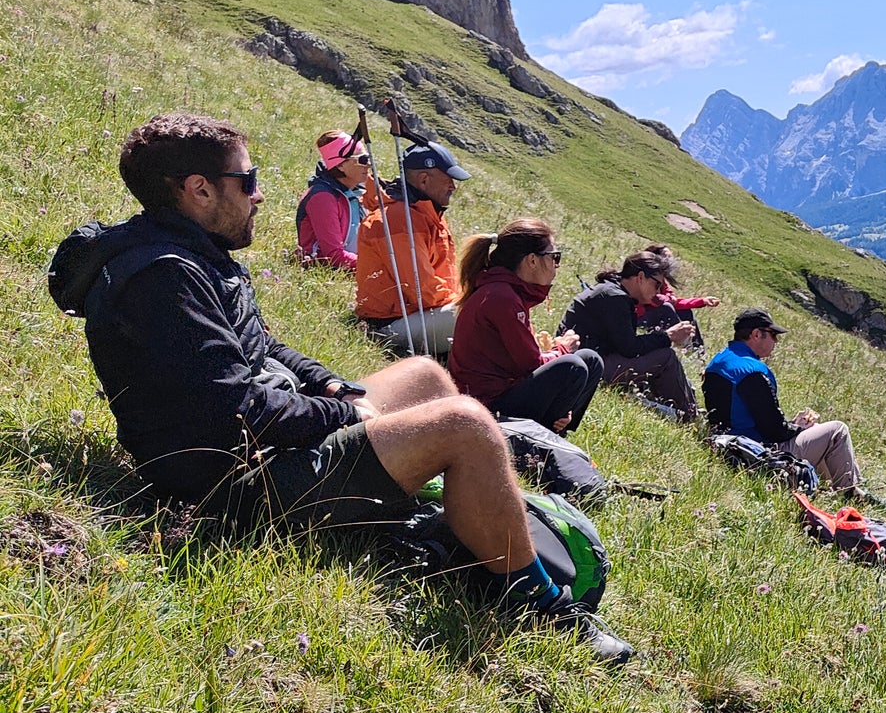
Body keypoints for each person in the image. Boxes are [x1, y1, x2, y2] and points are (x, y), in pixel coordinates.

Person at [50, 114, 629, 661]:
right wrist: (348, 419)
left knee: (427, 375)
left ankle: (437, 502)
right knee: (467, 425)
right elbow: (231, 410)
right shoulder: (165, 279)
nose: (258, 194)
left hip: (261, 445)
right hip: (231, 483)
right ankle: (539, 606)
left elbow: (263, 350)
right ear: (199, 189)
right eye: (246, 179)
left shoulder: (192, 256)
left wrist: (335, 386)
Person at [448, 220, 602, 435]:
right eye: (554, 257)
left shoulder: (506, 291)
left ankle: (557, 431)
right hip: (486, 407)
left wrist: (564, 402)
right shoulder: (503, 298)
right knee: (573, 365)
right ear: (532, 260)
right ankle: (539, 441)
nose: (556, 264)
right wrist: (562, 349)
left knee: (591, 360)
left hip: (502, 392)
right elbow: (530, 364)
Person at [702, 307, 866, 493]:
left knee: (816, 434)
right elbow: (773, 431)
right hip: (755, 454)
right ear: (756, 334)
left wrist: (793, 425)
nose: (776, 341)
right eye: (772, 335)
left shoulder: (720, 360)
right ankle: (851, 492)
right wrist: (799, 428)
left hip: (727, 445)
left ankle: (834, 490)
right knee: (837, 430)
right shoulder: (752, 372)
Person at [557, 245, 703, 423]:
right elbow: (630, 348)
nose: (658, 292)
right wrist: (669, 336)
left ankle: (680, 406)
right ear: (640, 277)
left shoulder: (611, 291)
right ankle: (690, 416)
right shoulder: (615, 298)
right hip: (587, 366)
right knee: (666, 357)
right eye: (657, 285)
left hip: (583, 360)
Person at [355, 139, 466, 357]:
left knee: (487, 308)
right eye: (448, 179)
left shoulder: (428, 213)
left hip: (420, 315)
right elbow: (421, 290)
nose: (453, 186)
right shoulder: (398, 220)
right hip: (389, 326)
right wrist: (464, 301)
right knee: (478, 313)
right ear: (423, 180)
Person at [295, 130, 368, 269]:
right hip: (330, 271)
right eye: (362, 159)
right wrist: (377, 266)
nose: (369, 164)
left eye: (368, 158)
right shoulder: (323, 198)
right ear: (340, 165)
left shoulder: (356, 190)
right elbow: (333, 256)